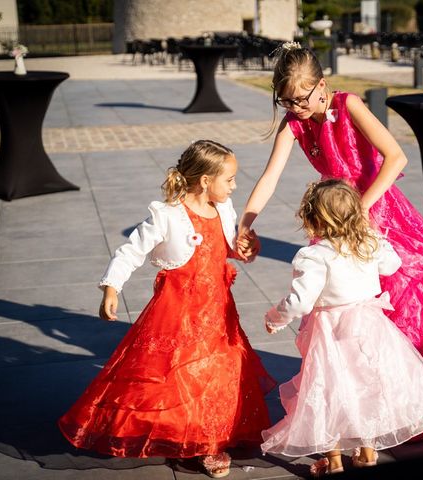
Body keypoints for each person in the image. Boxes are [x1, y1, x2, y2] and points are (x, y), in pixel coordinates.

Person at [236, 43, 423, 373]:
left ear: (321, 86)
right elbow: (270, 176)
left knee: (399, 295)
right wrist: (246, 222)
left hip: (377, 209)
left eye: (301, 98)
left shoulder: (348, 104)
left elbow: (396, 157)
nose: (296, 107)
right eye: (287, 101)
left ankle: (403, 379)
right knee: (345, 303)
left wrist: (360, 208)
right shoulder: (293, 124)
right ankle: (365, 379)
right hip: (336, 215)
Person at [58, 140, 275, 479]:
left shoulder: (224, 209)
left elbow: (229, 248)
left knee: (217, 372)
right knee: (179, 376)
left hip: (218, 312)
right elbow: (131, 251)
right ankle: (197, 441)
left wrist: (247, 248)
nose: (234, 186)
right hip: (177, 313)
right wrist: (111, 287)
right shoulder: (168, 215)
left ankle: (212, 438)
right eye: (229, 179)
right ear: (205, 180)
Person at [260, 180, 423, 476]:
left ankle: (335, 461)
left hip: (332, 332)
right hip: (371, 328)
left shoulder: (315, 256)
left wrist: (275, 317)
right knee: (367, 388)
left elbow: (300, 302)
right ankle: (367, 454)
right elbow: (391, 265)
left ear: (314, 218)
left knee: (329, 390)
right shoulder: (368, 242)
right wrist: (377, 237)